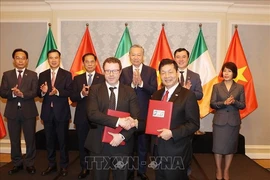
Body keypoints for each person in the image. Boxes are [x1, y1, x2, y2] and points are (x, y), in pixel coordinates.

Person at [84, 57, 140, 180]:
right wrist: (118, 121)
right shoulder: (94, 89)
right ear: (103, 71)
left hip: (122, 144)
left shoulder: (130, 91)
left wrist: (122, 136)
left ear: (120, 72)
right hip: (99, 145)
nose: (111, 74)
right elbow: (92, 114)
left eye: (114, 71)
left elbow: (135, 119)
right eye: (107, 70)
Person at [151, 59, 200, 180]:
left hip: (177, 150)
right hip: (157, 149)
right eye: (163, 73)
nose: (167, 76)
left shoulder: (188, 95)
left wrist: (173, 133)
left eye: (170, 72)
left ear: (177, 72)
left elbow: (194, 124)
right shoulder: (156, 95)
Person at [120, 44, 157, 180]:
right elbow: (120, 90)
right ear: (129, 56)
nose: (136, 57)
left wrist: (141, 83)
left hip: (144, 114)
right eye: (133, 55)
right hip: (126, 114)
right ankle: (129, 171)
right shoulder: (123, 71)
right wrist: (131, 85)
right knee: (128, 145)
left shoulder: (151, 71)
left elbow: (154, 90)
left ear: (143, 56)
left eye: (139, 54)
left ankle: (141, 171)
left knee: (143, 145)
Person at [0, 48, 38, 175]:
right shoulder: (7, 74)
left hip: (28, 112)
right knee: (14, 140)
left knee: (30, 139)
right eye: (18, 58)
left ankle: (30, 163)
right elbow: (2, 92)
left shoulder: (33, 75)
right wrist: (12, 92)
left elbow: (35, 92)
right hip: (12, 112)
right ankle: (16, 163)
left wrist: (22, 94)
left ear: (26, 61)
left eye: (23, 58)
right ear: (14, 60)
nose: (20, 60)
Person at [38, 49, 72, 177]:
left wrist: (57, 92)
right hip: (47, 113)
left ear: (59, 59)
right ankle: (51, 164)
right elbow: (38, 92)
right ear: (48, 60)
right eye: (51, 58)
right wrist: (43, 91)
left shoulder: (67, 74)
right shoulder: (42, 74)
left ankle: (64, 166)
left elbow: (70, 91)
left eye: (56, 57)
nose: (53, 60)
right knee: (49, 141)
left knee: (63, 141)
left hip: (61, 112)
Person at [70, 53, 105, 179]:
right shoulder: (77, 79)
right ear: (83, 64)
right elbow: (72, 98)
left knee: (97, 145)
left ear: (96, 63)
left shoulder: (102, 78)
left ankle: (97, 168)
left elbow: (106, 98)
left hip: (98, 117)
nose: (89, 64)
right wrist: (82, 94)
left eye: (92, 61)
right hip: (81, 117)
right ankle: (84, 167)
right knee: (82, 143)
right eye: (87, 62)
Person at [210, 62, 246, 180]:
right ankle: (218, 170)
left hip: (233, 122)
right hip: (220, 122)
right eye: (224, 70)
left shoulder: (240, 87)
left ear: (234, 73)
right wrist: (223, 103)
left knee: (230, 148)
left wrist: (234, 101)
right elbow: (212, 103)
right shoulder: (216, 87)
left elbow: (243, 105)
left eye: (229, 71)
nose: (226, 73)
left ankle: (226, 170)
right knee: (218, 148)